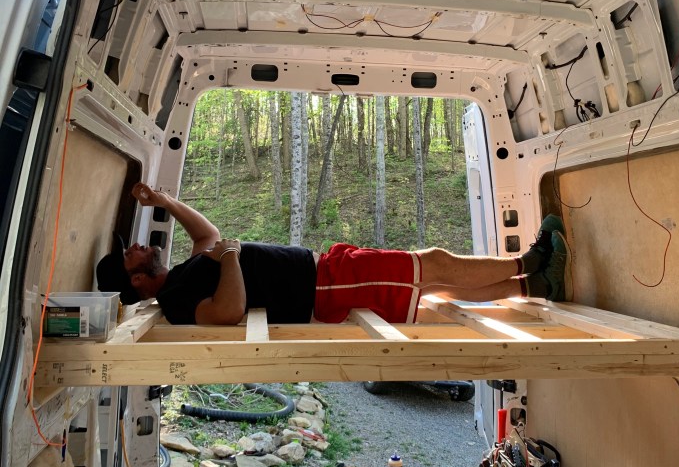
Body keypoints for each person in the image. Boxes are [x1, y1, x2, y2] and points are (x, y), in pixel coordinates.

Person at [96, 183, 569, 326]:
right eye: (129, 255)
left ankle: (536, 284)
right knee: (434, 264)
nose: (137, 246)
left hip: (326, 272)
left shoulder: (180, 275)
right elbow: (227, 311)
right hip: (324, 287)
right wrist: (232, 257)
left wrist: (166, 202)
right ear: (136, 280)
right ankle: (529, 262)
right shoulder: (175, 302)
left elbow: (207, 235)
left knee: (434, 286)